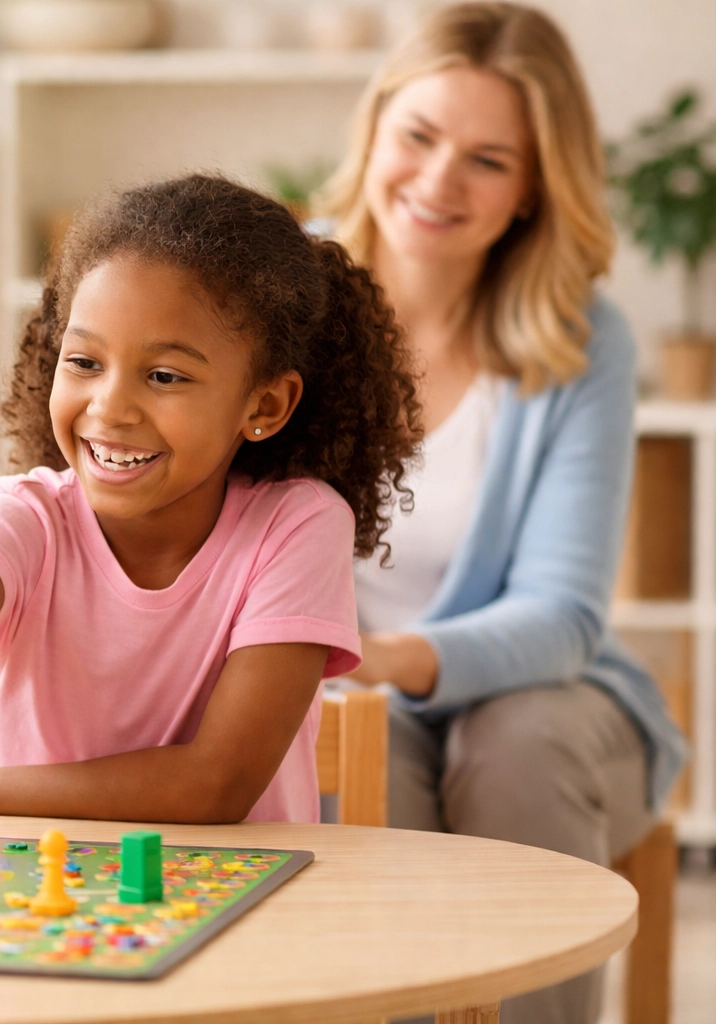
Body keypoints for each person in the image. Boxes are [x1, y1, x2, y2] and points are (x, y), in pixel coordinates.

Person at [314, 4, 687, 1022]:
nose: (438, 182)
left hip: (544, 702)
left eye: (487, 159)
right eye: (421, 137)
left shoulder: (579, 340)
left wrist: (379, 657)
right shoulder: (280, 298)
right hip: (343, 698)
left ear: (532, 188)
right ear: (377, 125)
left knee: (514, 746)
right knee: (352, 751)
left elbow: (562, 616)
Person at [0, 174, 421, 824]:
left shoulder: (298, 526)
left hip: (255, 906)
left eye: (164, 376)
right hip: (34, 907)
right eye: (84, 362)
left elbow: (218, 783)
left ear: (264, 405)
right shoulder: (22, 519)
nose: (110, 408)